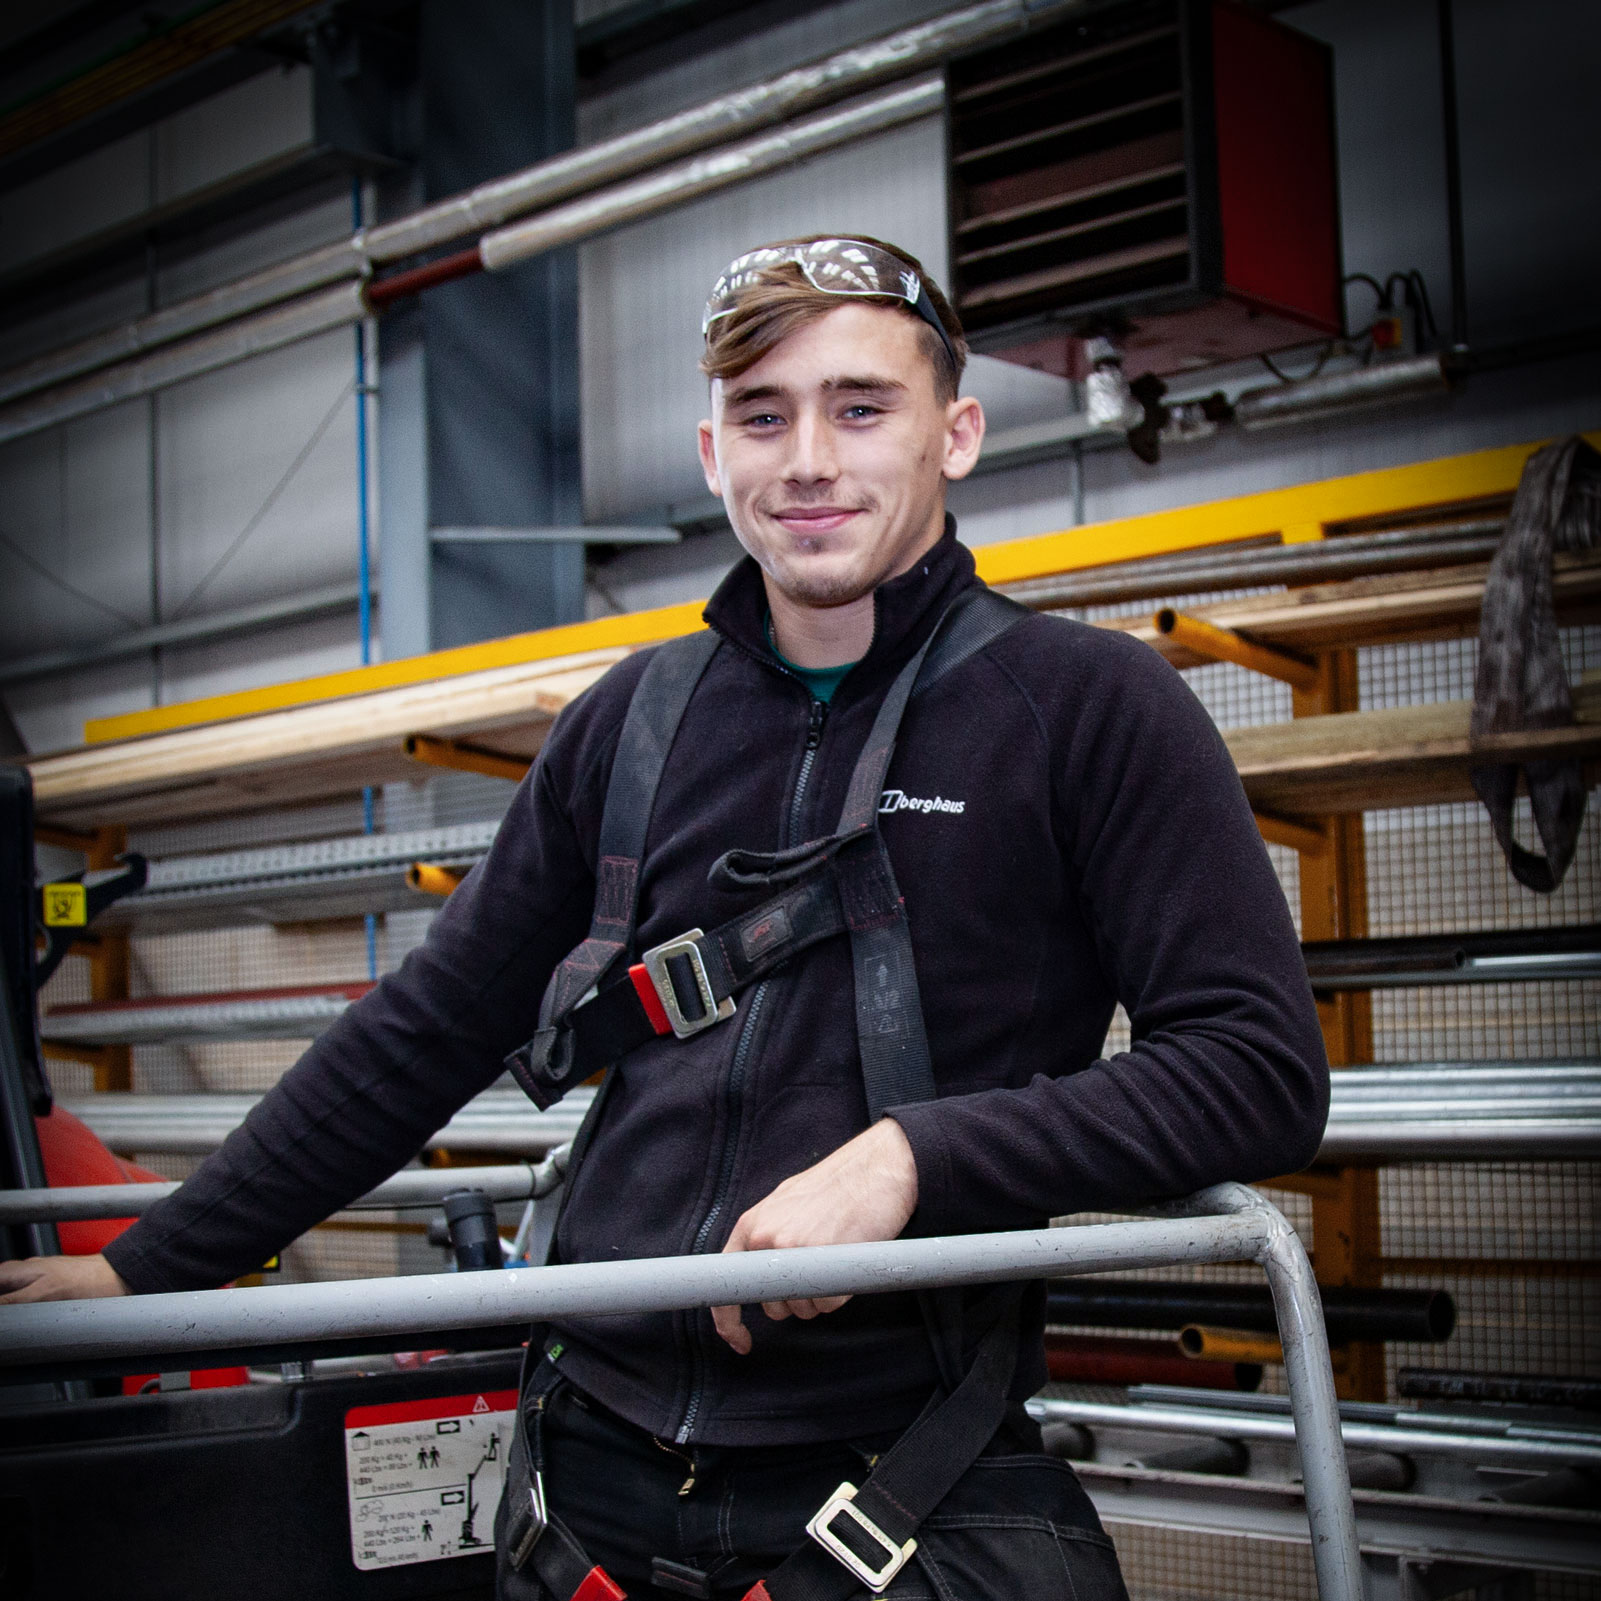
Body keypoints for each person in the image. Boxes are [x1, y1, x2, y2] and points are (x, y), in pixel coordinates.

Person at [1, 237, 1329, 1598]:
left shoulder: (1087, 710)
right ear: (710, 453)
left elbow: (1255, 1069)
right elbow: (422, 1030)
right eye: (762, 413)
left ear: (959, 431)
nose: (807, 457)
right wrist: (143, 1273)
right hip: (584, 1480)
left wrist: (910, 1160)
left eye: (859, 405)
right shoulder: (630, 722)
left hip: (899, 1482)